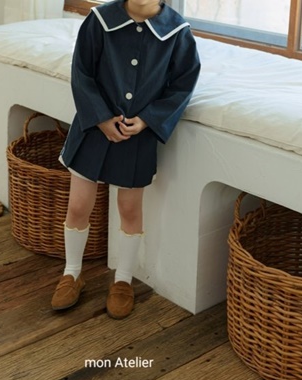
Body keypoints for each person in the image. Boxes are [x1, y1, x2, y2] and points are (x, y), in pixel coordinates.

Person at [51, 0, 201, 319]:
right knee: (78, 206)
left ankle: (123, 281)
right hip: (92, 128)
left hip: (137, 136)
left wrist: (147, 120)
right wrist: (101, 118)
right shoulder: (99, 20)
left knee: (130, 210)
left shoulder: (177, 32)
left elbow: (182, 85)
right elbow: (82, 72)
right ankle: (72, 272)